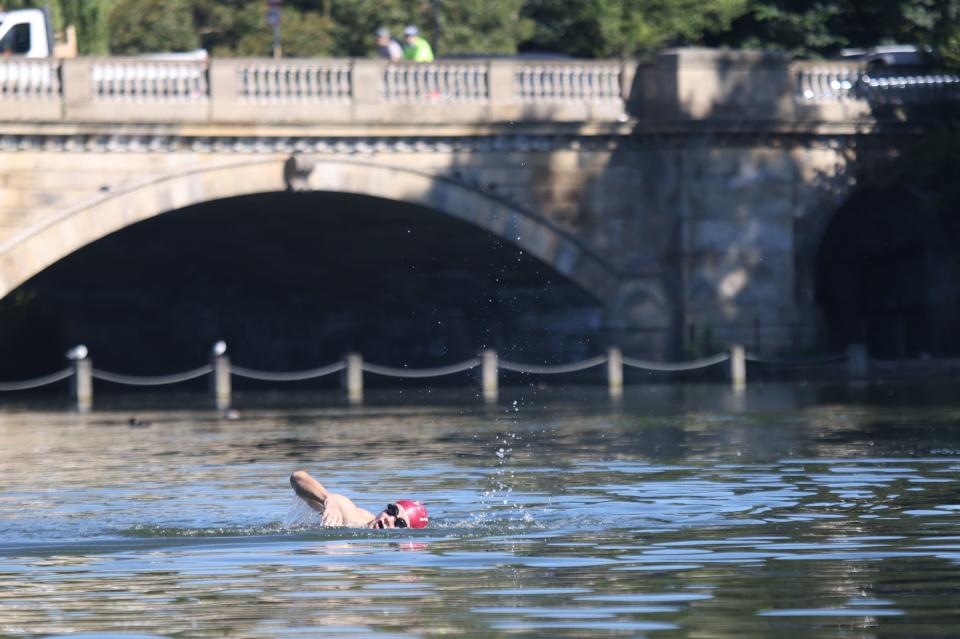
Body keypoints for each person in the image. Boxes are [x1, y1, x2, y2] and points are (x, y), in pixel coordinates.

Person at [290, 469, 429, 529]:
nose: (389, 519)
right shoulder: (351, 515)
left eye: (400, 523)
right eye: (392, 511)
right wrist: (328, 499)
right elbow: (297, 478)